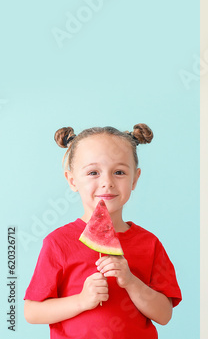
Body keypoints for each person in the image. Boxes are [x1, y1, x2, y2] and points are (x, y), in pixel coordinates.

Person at [24, 124, 182, 338]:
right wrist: (81, 301)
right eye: (93, 172)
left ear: (135, 179)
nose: (107, 183)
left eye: (119, 172)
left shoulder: (149, 243)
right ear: (72, 180)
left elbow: (164, 315)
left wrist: (131, 281)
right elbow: (32, 312)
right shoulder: (58, 242)